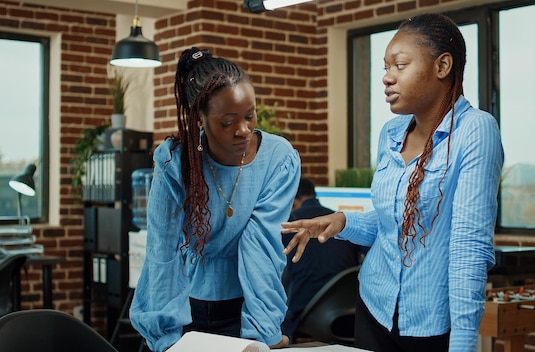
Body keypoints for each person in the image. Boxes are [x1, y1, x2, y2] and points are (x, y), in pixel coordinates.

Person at [282, 13, 504, 352]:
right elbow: (395, 222)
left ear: (442, 66)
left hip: (430, 322)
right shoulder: (391, 133)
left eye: (399, 65)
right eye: (385, 68)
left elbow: (469, 249)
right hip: (373, 307)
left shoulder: (474, 130)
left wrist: (463, 343)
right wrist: (342, 222)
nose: (387, 78)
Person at [129, 47, 300, 352]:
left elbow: (262, 247)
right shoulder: (175, 163)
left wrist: (262, 335)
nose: (243, 130)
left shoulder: (278, 158)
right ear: (200, 120)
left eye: (250, 116)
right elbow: (163, 253)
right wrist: (167, 340)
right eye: (227, 122)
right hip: (183, 309)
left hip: (246, 307)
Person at [280, 177, 363, 343]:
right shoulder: (341, 223)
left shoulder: (290, 223)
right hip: (346, 318)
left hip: (301, 317)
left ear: (293, 202)